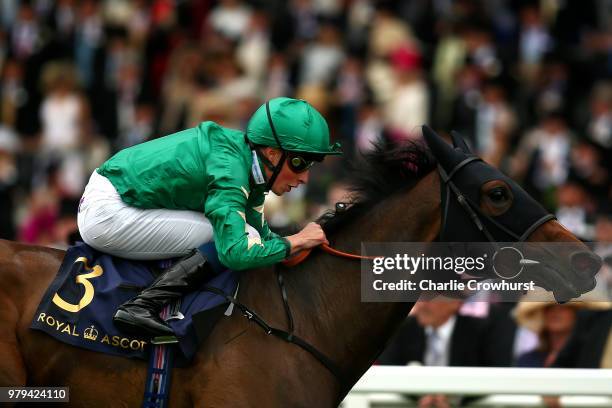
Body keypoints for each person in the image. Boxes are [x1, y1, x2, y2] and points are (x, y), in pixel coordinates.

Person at [76, 97, 342, 337]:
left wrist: (292, 246)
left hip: (118, 196)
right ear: (271, 153)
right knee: (238, 238)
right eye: (300, 163)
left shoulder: (248, 162)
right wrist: (295, 241)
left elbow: (265, 235)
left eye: (311, 165)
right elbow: (235, 251)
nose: (305, 177)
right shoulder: (231, 171)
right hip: (108, 212)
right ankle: (141, 306)